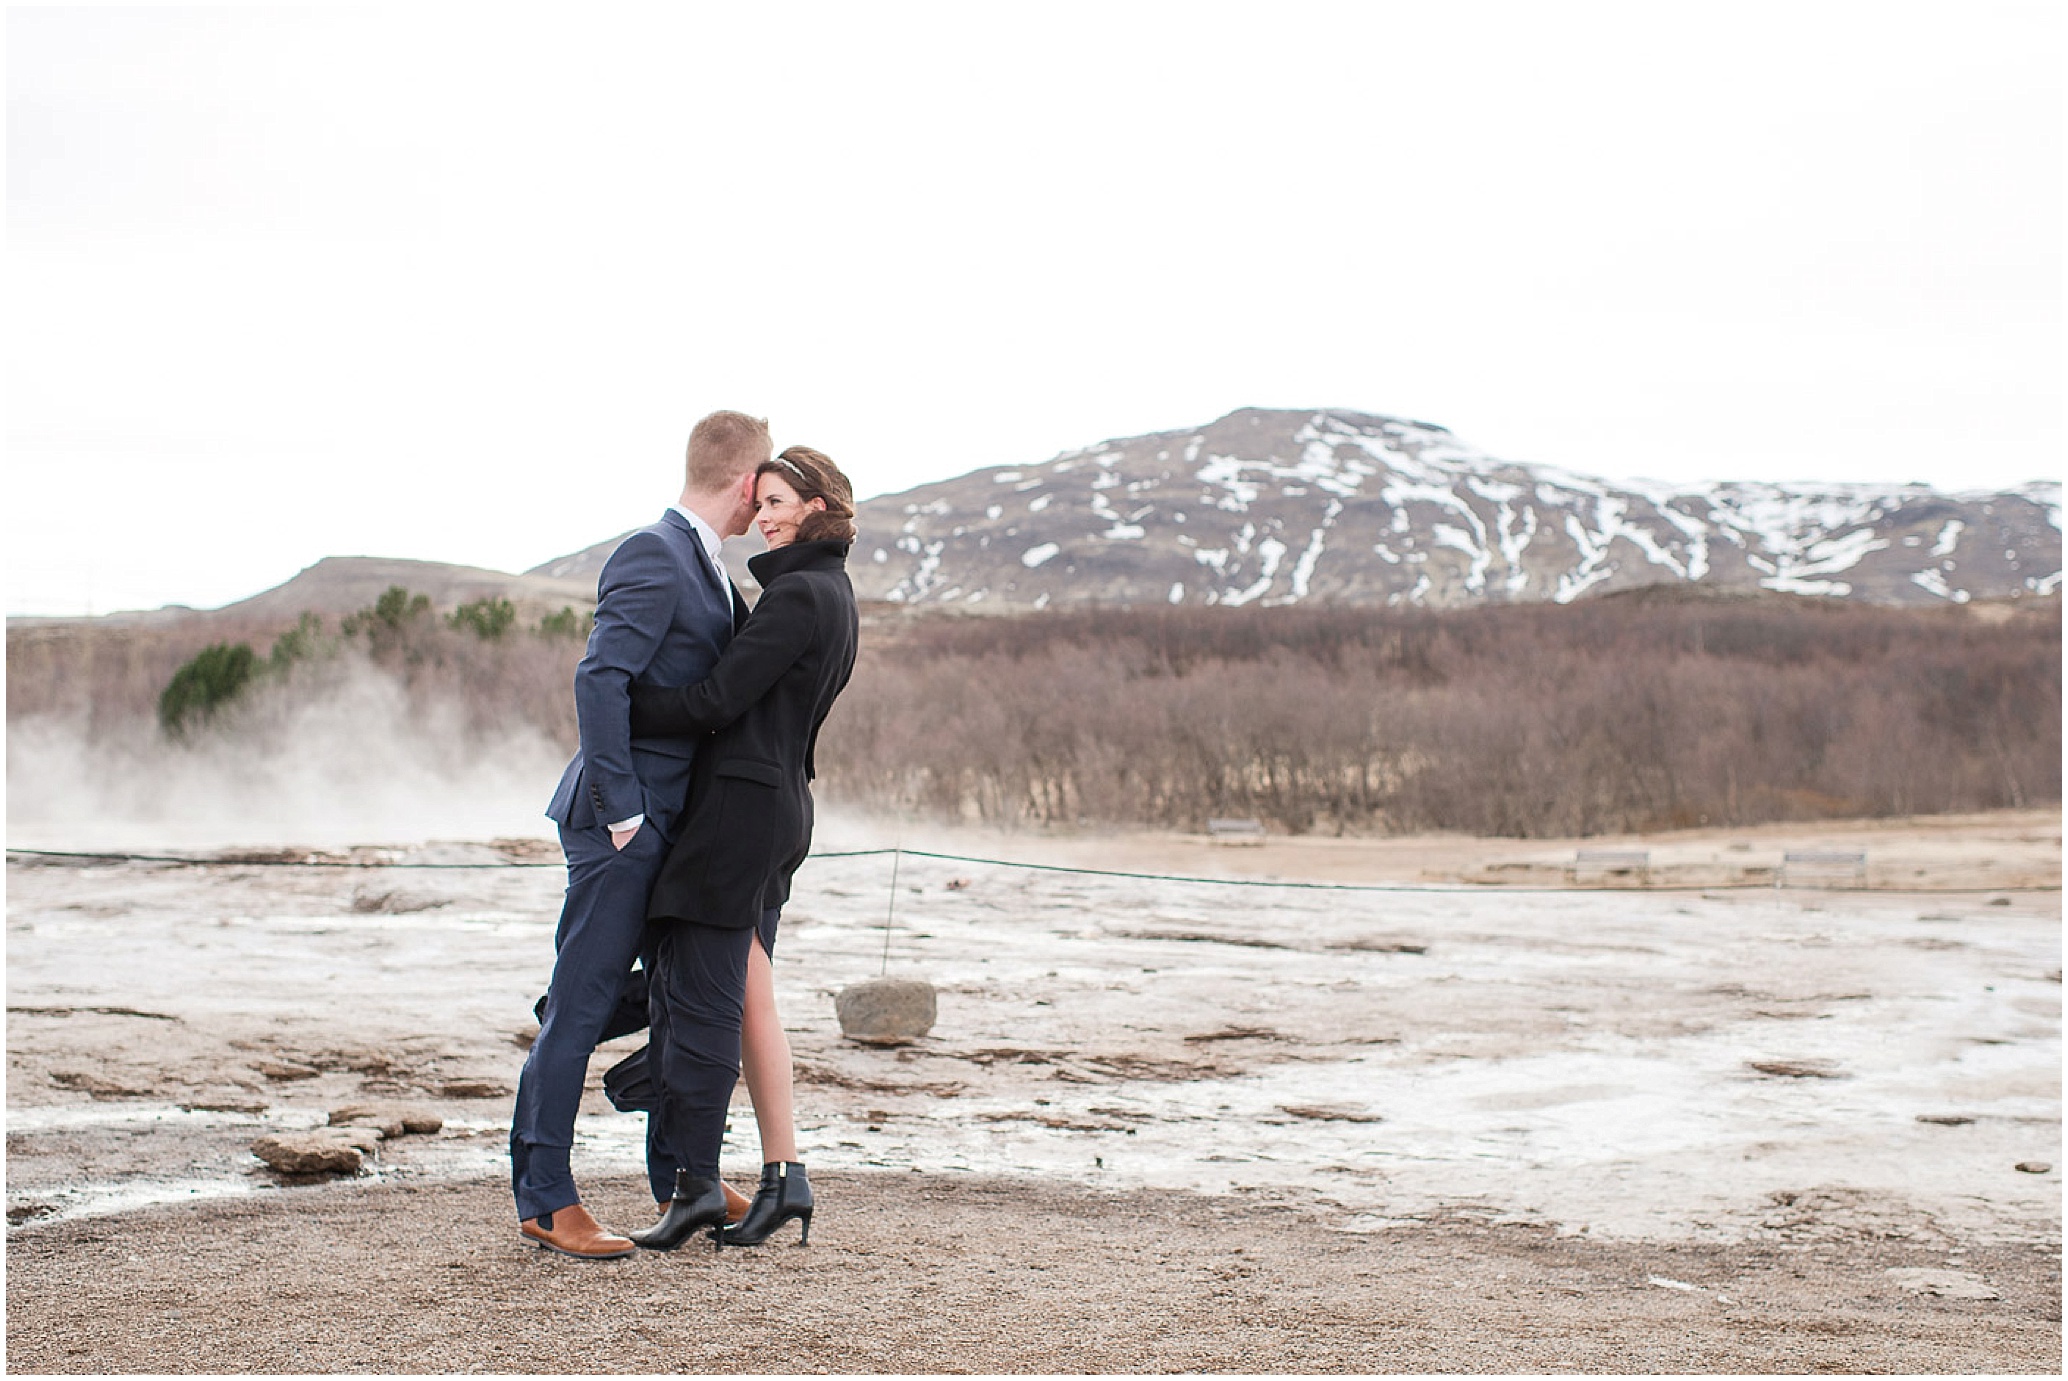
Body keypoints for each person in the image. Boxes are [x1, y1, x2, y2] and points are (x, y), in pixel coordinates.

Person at [509, 410, 770, 1259]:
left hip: (674, 828)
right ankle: (546, 1197)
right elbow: (601, 679)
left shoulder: (708, 562)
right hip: (621, 824)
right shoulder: (652, 552)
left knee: (672, 1003)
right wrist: (623, 812)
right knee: (580, 1008)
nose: (764, 498)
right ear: (742, 481)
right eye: (761, 481)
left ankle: (678, 1180)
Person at [620, 446, 860, 1251]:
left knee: (707, 1000)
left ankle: (693, 1184)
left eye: (779, 501)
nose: (763, 515)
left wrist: (622, 702)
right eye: (758, 502)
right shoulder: (835, 593)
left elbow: (718, 699)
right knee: (751, 996)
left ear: (819, 506)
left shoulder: (797, 596)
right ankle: (784, 1176)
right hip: (782, 806)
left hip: (743, 813)